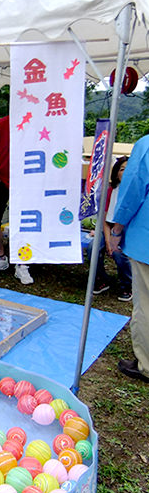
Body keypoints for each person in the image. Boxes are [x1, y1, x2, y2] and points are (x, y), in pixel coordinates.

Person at [108, 135, 149, 383]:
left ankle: (146, 365)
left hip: (146, 240)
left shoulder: (146, 146)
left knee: (145, 303)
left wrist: (117, 229)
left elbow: (133, 189)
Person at [0, 115, 33, 284]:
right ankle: (0, 257)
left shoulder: (38, 121)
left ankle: (22, 263)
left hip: (27, 180)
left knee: (24, 223)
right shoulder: (2, 122)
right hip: (2, 179)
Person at [87, 157, 132, 301]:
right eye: (122, 169)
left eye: (128, 169)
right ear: (116, 172)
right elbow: (105, 220)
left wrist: (115, 239)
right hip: (109, 228)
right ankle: (102, 280)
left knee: (119, 253)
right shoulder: (111, 191)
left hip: (128, 231)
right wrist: (107, 240)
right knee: (93, 247)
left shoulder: (135, 191)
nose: (125, 172)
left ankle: (127, 285)